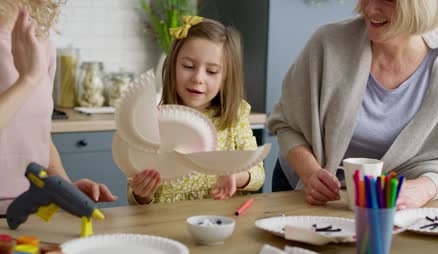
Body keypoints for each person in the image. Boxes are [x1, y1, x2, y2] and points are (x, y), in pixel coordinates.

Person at [268, 0, 438, 210]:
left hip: (387, 208)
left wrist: (421, 189)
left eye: (387, 1)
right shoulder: (327, 44)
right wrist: (310, 174)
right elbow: (285, 123)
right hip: (304, 192)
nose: (371, 9)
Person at [128, 16, 265, 205]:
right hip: (167, 225)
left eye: (212, 71)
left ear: (226, 77)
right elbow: (134, 197)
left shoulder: (235, 116)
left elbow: (258, 174)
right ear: (173, 65)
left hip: (221, 223)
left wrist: (235, 175)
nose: (198, 78)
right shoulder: (154, 121)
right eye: (188, 66)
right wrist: (142, 194)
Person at [0, 0, 117, 216]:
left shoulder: (40, 43)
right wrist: (28, 80)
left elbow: (40, 134)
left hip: (31, 210)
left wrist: (65, 188)